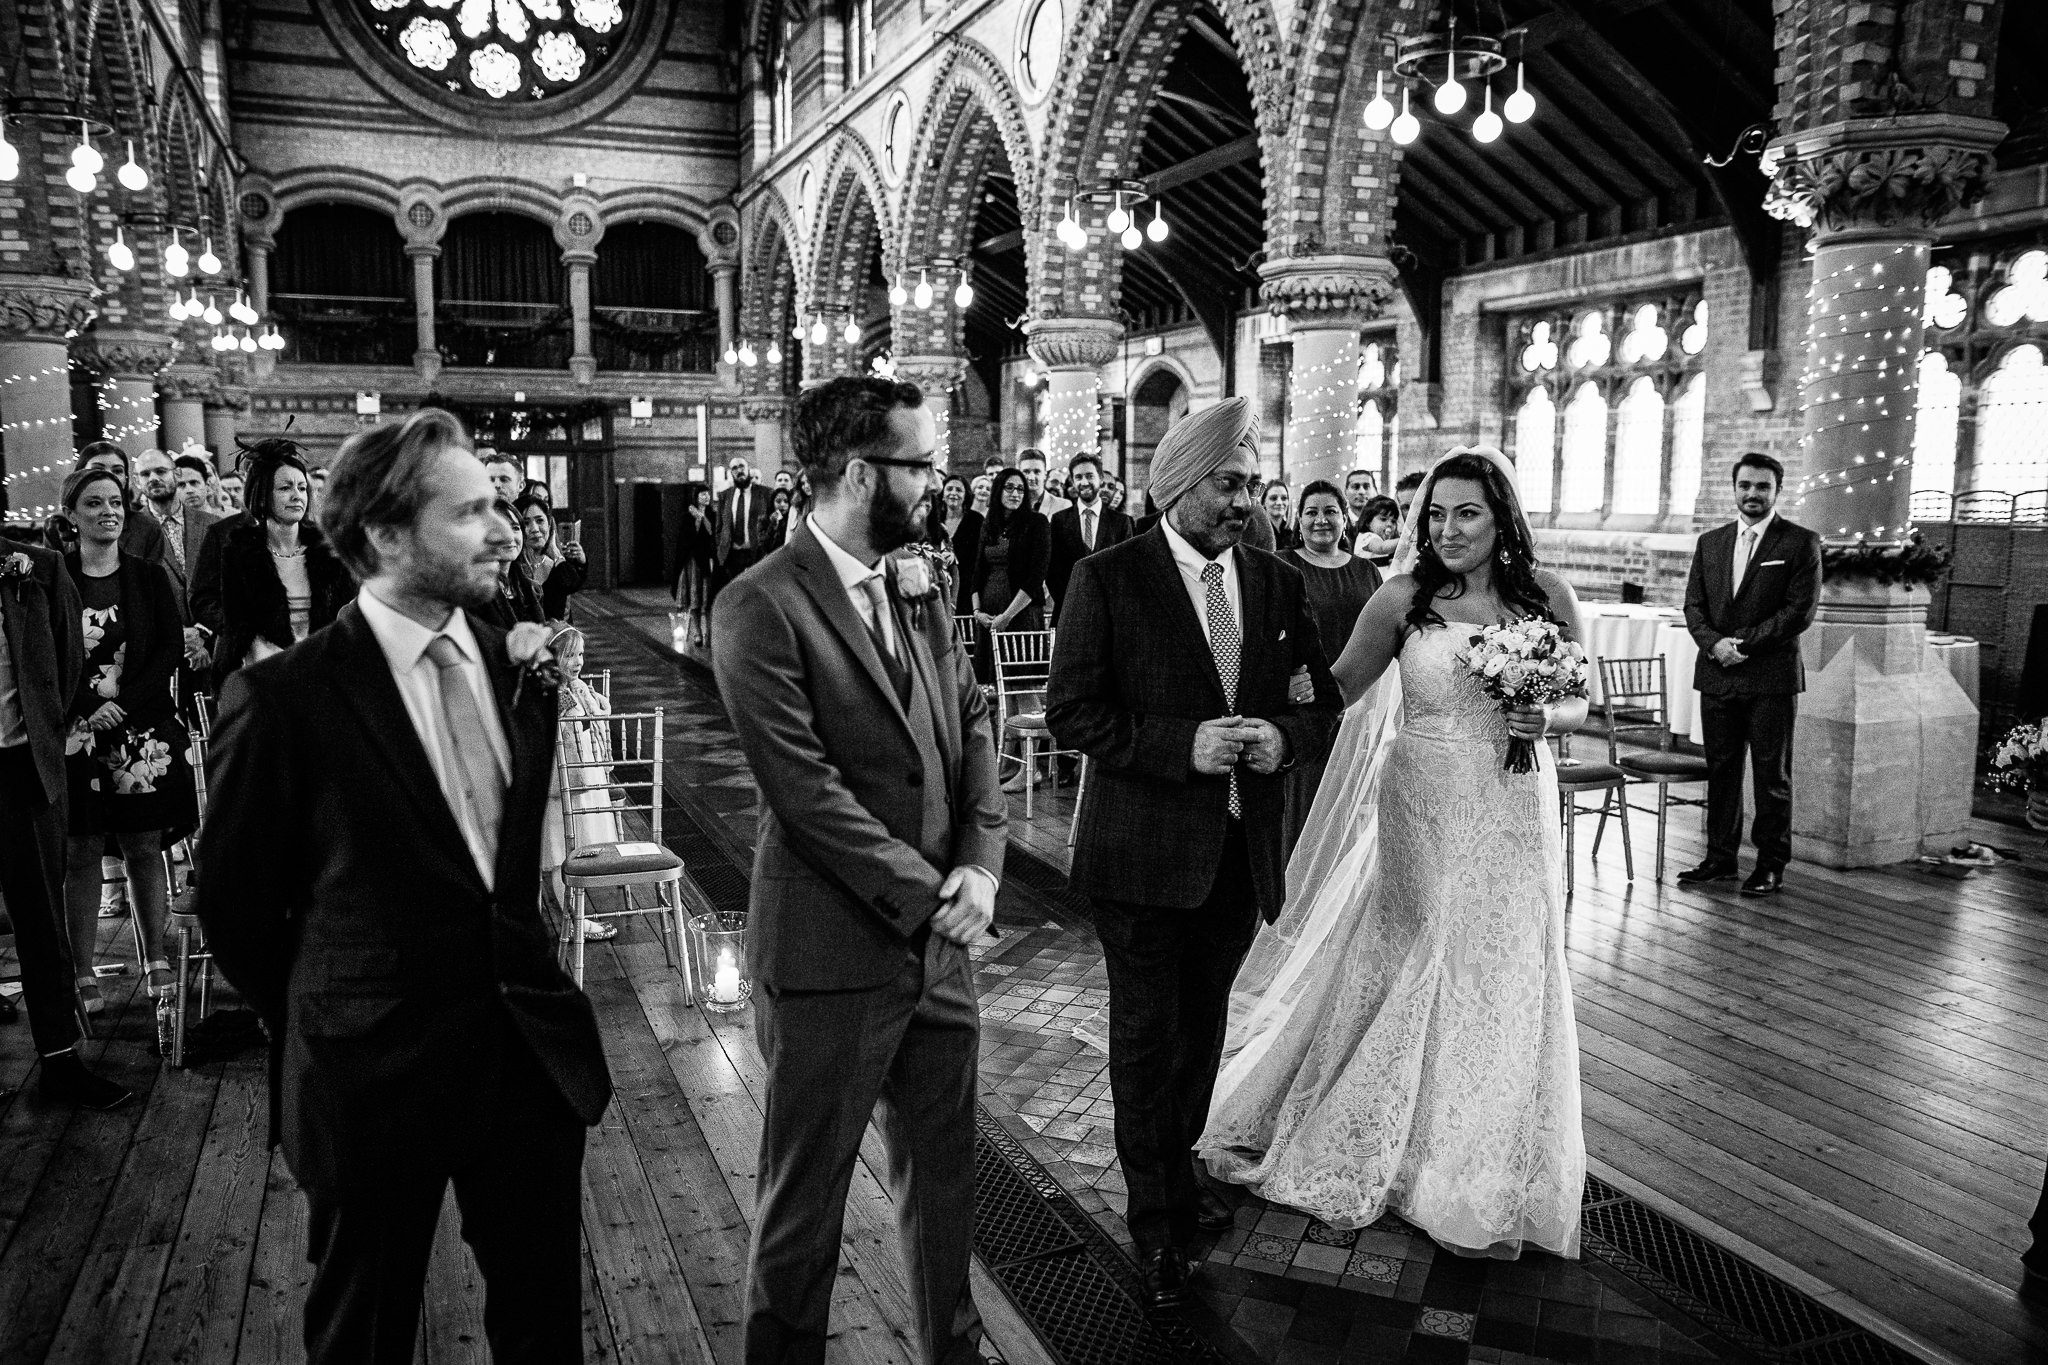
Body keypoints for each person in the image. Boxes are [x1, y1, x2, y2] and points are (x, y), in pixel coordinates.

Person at [196, 407, 613, 1365]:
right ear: (386, 535)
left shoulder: (516, 664)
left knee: (545, 1330)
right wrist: (333, 1003)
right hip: (371, 1069)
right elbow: (235, 907)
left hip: (525, 1058)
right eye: (470, 512)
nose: (505, 529)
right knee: (366, 1334)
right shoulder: (286, 699)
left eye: (500, 505)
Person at [1198, 446, 1590, 1261]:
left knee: (1509, 958)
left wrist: (1546, 720)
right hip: (1424, 794)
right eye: (1436, 513)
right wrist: (1258, 689)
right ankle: (1388, 1135)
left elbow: (1580, 695)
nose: (1447, 528)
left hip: (1518, 800)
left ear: (1502, 516)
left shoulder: (1546, 596)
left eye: (1467, 512)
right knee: (1421, 948)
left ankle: (1473, 1155)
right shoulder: (1402, 598)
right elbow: (1337, 686)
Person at [711, 375, 1005, 1365]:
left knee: (945, 1192)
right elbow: (808, 795)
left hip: (940, 953)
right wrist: (934, 898)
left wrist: (981, 868)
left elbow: (969, 723)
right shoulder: (759, 606)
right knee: (803, 1214)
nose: (938, 483)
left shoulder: (917, 583)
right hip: (832, 955)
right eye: (921, 465)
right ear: (855, 473)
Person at [1045, 397, 1342, 1309]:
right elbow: (1073, 712)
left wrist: (1280, 740)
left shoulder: (1277, 581)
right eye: (1227, 483)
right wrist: (1184, 745)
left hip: (1236, 852)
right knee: (1145, 1038)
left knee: (1202, 1028)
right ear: (1178, 484)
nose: (1244, 501)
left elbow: (1319, 700)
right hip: (1139, 855)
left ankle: (1176, 1170)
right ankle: (1157, 1223)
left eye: (1251, 484)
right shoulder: (1110, 579)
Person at [0, 519, 133, 1108]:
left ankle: (59, 1060)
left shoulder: (36, 569)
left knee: (41, 919)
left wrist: (47, 733)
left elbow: (70, 658)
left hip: (20, 768)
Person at [55, 467, 196, 1013]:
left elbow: (167, 650)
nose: (108, 512)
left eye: (115, 502)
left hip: (141, 728)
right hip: (78, 729)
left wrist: (124, 706)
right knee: (83, 850)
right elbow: (48, 655)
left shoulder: (147, 575)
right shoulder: (56, 575)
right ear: (72, 515)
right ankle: (82, 968)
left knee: (144, 845)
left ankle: (155, 956)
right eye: (94, 504)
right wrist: (92, 708)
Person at [1679, 452, 1822, 896]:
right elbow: (1694, 606)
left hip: (1769, 678)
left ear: (1778, 491)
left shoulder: (1800, 542)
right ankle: (1720, 858)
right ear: (1734, 488)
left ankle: (1770, 863)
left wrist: (1743, 644)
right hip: (1718, 675)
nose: (1753, 494)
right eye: (1746, 485)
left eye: (1762, 487)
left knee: (1770, 775)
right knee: (1721, 770)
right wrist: (1714, 644)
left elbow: (1798, 612)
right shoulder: (1711, 542)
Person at [1280, 480, 1383, 854]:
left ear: (1345, 518)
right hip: (1304, 703)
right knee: (1304, 806)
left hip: (1358, 705)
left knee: (1351, 805)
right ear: (1298, 518)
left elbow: (1383, 640)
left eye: (1330, 512)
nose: (1321, 520)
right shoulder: (1282, 564)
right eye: (1311, 512)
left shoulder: (1366, 572)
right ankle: (1296, 899)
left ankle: (1341, 904)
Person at [215, 444, 348, 687]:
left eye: (302, 488)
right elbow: (238, 625)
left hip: (322, 670)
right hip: (264, 672)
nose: (297, 496)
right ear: (263, 494)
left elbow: (344, 618)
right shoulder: (239, 553)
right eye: (285, 488)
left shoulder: (328, 550)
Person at [540, 625, 619, 943]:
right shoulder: (554, 692)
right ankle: (572, 918)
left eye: (581, 654)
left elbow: (593, 719)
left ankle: (577, 913)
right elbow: (560, 725)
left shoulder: (577, 688)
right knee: (564, 848)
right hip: (565, 780)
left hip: (587, 776)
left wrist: (594, 703)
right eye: (569, 655)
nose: (577, 661)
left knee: (581, 847)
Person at [970, 467, 1050, 676]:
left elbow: (1035, 577)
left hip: (1021, 612)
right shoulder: (989, 525)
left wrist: (1007, 617)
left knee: (1022, 682)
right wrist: (977, 612)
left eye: (1020, 490)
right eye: (1009, 488)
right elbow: (977, 572)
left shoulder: (1037, 523)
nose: (1015, 494)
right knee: (991, 684)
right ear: (998, 491)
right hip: (989, 614)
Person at [1046, 452, 1133, 623]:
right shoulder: (1059, 520)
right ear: (1072, 480)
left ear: (1100, 478)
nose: (1084, 482)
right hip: (1068, 612)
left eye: (1089, 476)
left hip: (1109, 615)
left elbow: (1126, 570)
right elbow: (1052, 570)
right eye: (1078, 477)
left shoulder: (1121, 522)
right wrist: (1072, 603)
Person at [72, 442, 169, 568]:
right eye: (98, 469)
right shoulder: (59, 527)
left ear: (126, 480)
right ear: (80, 474)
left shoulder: (147, 528)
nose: (109, 475)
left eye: (117, 471)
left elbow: (152, 582)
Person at [513, 493, 587, 622]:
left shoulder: (556, 565)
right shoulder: (512, 568)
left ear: (549, 524)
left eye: (540, 520)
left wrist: (555, 551)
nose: (535, 529)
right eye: (526, 523)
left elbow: (572, 584)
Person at [930, 472, 983, 618]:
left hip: (969, 589)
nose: (954, 493)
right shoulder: (934, 520)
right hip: (939, 586)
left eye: (959, 490)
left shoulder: (976, 520)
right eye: (950, 489)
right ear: (942, 493)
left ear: (966, 495)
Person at [717, 456, 775, 586]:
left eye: (742, 466)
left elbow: (771, 522)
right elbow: (720, 526)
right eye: (735, 468)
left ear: (748, 469)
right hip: (732, 554)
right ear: (731, 473)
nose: (739, 470)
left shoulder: (765, 493)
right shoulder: (724, 495)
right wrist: (720, 545)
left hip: (757, 552)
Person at [673, 485, 717, 646]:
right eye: (702, 494)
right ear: (696, 497)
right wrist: (697, 519)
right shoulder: (688, 516)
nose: (706, 497)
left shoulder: (712, 514)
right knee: (695, 599)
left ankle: (710, 632)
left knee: (709, 600)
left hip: (708, 560)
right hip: (693, 561)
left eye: (707, 494)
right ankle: (697, 632)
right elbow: (686, 538)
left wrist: (703, 518)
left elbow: (713, 533)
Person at [1017, 448, 1070, 518]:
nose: (1031, 477)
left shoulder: (1063, 506)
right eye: (1026, 472)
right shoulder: (1012, 504)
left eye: (1037, 472)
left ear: (1045, 474)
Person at [1355, 494, 1401, 567]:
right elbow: (1382, 548)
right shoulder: (1367, 537)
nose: (1389, 524)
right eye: (1383, 519)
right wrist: (1404, 539)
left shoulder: (1383, 540)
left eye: (1393, 521)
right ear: (1368, 522)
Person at [1261, 481, 1297, 552]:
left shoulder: (1291, 535)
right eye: (1273, 498)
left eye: (1284, 498)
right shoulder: (1259, 533)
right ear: (1263, 502)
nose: (1279, 503)